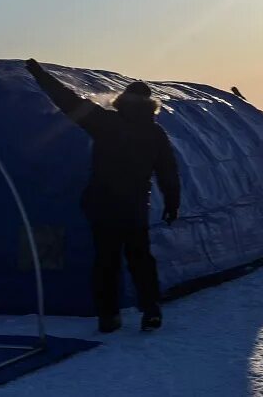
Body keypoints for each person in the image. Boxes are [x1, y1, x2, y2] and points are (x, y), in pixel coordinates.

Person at [25, 58, 180, 334]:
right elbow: (167, 170)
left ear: (123, 100)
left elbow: (68, 101)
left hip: (103, 203)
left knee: (105, 260)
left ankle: (108, 316)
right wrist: (172, 201)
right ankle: (151, 310)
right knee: (140, 259)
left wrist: (40, 74)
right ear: (149, 104)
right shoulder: (154, 132)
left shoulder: (105, 123)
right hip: (134, 207)